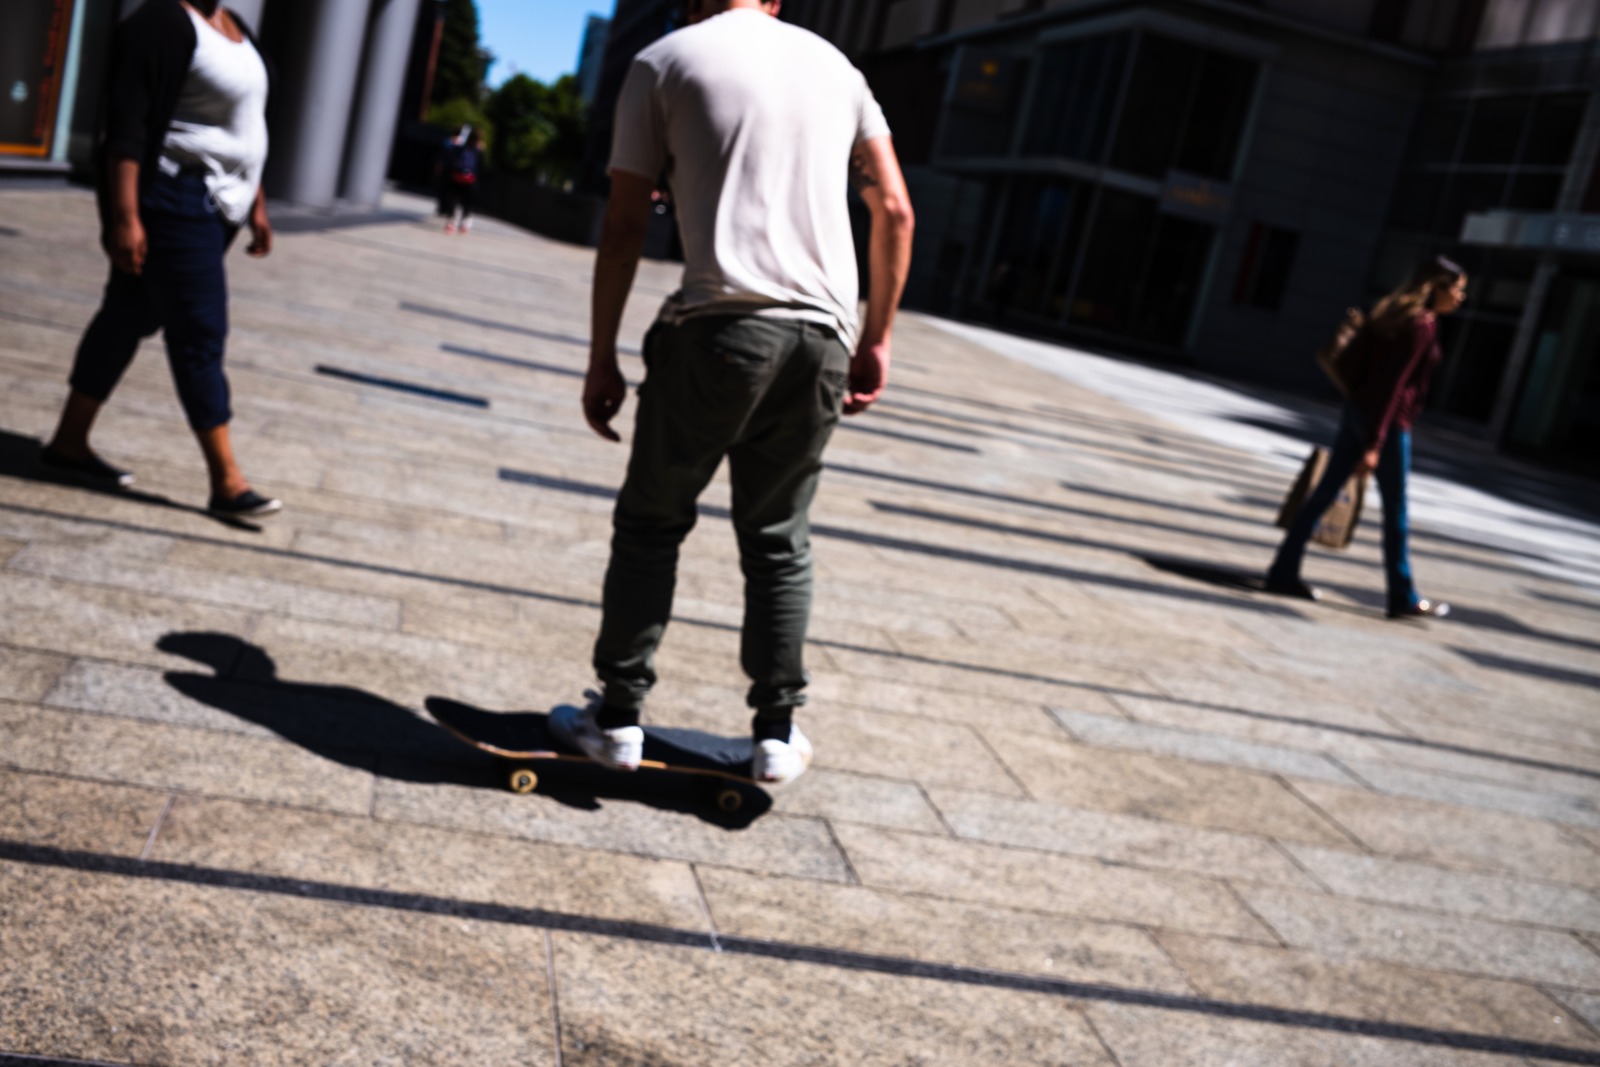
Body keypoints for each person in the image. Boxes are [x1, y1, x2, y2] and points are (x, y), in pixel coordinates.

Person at [555, 0, 914, 784]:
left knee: (653, 523)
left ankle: (617, 716)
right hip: (821, 338)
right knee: (778, 538)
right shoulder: (838, 68)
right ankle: (778, 731)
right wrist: (876, 335)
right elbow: (893, 207)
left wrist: (601, 355)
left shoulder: (664, 61)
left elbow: (623, 225)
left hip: (720, 325)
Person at [42, 0, 280, 519]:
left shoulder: (236, 26)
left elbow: (247, 122)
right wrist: (124, 217)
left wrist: (256, 204)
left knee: (125, 317)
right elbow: (126, 128)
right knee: (199, 330)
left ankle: (68, 441)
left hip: (221, 204)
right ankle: (226, 481)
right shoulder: (160, 22)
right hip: (175, 199)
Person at [1265, 256, 1468, 619]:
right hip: (1387, 425)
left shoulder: (1390, 313)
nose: (1459, 297)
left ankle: (1282, 571)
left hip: (1357, 412)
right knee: (1396, 512)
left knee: (1324, 493)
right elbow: (1393, 387)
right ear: (1435, 287)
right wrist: (1375, 445)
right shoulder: (1421, 325)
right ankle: (1402, 595)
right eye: (1456, 289)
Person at [440, 128, 481, 235]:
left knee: (454, 199)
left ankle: (452, 221)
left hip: (457, 176)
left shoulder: (457, 145)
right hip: (470, 177)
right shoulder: (477, 149)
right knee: (466, 202)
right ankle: (463, 222)